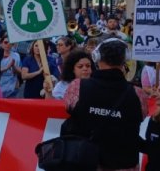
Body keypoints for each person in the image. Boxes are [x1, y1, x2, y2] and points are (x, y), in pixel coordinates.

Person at [61, 39, 148, 171]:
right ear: (125, 60)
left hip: (86, 162)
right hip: (124, 164)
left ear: (96, 57)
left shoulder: (77, 87)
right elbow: (142, 115)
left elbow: (68, 106)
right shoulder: (138, 94)